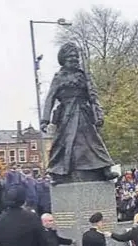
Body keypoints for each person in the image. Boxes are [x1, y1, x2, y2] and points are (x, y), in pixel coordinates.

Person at [40, 42, 118, 184]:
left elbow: (93, 97)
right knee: (61, 144)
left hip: (83, 113)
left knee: (93, 141)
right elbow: (50, 98)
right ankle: (57, 174)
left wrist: (99, 114)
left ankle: (104, 168)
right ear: (64, 60)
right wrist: (44, 120)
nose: (74, 61)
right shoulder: (59, 77)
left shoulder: (84, 76)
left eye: (76, 59)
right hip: (66, 115)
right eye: (71, 59)